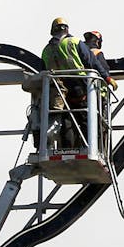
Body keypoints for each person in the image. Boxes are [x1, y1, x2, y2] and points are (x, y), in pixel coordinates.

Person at [41, 17, 96, 151]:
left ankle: (66, 148)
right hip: (80, 87)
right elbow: (91, 63)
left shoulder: (46, 50)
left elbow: (42, 71)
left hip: (59, 91)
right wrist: (106, 78)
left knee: (66, 121)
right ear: (67, 29)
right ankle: (88, 147)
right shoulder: (74, 42)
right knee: (85, 118)